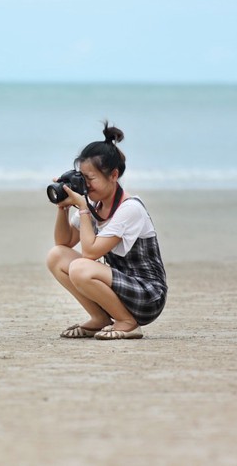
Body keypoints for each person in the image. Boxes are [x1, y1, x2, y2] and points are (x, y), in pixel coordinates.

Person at [46, 121, 167, 340]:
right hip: (120, 288)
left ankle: (128, 323)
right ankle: (100, 318)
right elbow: (63, 243)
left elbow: (91, 253)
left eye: (90, 179)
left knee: (81, 267)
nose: (86, 185)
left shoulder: (129, 209)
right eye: (82, 178)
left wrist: (83, 208)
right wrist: (62, 208)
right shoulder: (96, 205)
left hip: (147, 295)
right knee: (56, 256)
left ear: (113, 175)